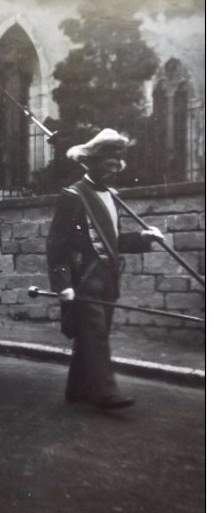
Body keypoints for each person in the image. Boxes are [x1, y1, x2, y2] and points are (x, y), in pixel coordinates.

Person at [46, 128, 164, 410]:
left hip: (108, 277)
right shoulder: (73, 195)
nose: (112, 171)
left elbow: (114, 242)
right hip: (85, 277)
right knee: (96, 335)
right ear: (92, 163)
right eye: (106, 165)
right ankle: (105, 392)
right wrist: (62, 284)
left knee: (93, 334)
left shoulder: (113, 196)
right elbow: (56, 243)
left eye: (115, 166)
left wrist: (143, 238)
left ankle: (77, 388)